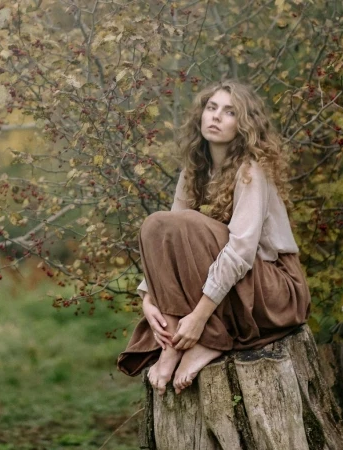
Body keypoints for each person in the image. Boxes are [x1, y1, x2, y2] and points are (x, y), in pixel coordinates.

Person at [116, 79, 311, 395]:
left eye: (230, 112)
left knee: (189, 222)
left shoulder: (252, 171)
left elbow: (241, 252)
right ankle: (172, 345)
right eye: (211, 108)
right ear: (201, 115)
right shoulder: (193, 171)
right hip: (236, 289)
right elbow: (166, 240)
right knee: (156, 225)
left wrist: (197, 318)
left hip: (274, 288)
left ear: (244, 124)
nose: (216, 117)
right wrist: (149, 298)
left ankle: (209, 338)